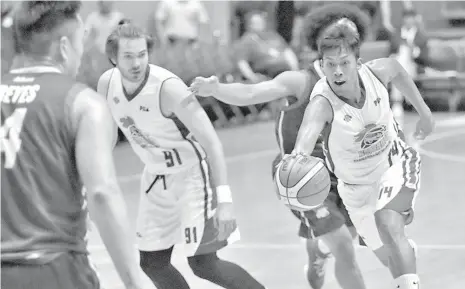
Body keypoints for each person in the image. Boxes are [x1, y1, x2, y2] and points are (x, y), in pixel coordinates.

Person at [190, 4, 372, 289]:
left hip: (347, 174)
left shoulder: (364, 82)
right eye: (336, 29)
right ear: (319, 41)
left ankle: (318, 250)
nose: (343, 33)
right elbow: (252, 92)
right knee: (345, 249)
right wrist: (217, 90)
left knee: (345, 238)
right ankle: (325, 246)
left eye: (349, 30)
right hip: (302, 174)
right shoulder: (299, 80)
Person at [97, 19, 267, 289]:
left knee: (203, 263)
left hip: (192, 175)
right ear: (112, 58)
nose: (136, 63)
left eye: (142, 55)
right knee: (152, 262)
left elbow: (212, 143)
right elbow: (106, 132)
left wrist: (225, 201)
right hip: (155, 177)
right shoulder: (107, 85)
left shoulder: (167, 87)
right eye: (128, 56)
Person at [1, 2, 143, 289]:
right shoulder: (83, 103)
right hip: (54, 269)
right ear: (64, 47)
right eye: (81, 43)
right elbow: (102, 193)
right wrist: (135, 283)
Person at [291, 13, 433, 289]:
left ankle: (398, 241)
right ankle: (402, 251)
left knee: (387, 222)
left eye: (344, 63)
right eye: (330, 65)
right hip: (354, 190)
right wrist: (297, 161)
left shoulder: (378, 72)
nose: (338, 72)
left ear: (358, 62)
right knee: (390, 258)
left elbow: (398, 70)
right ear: (322, 65)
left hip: (394, 164)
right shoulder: (322, 103)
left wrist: (424, 113)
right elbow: (305, 139)